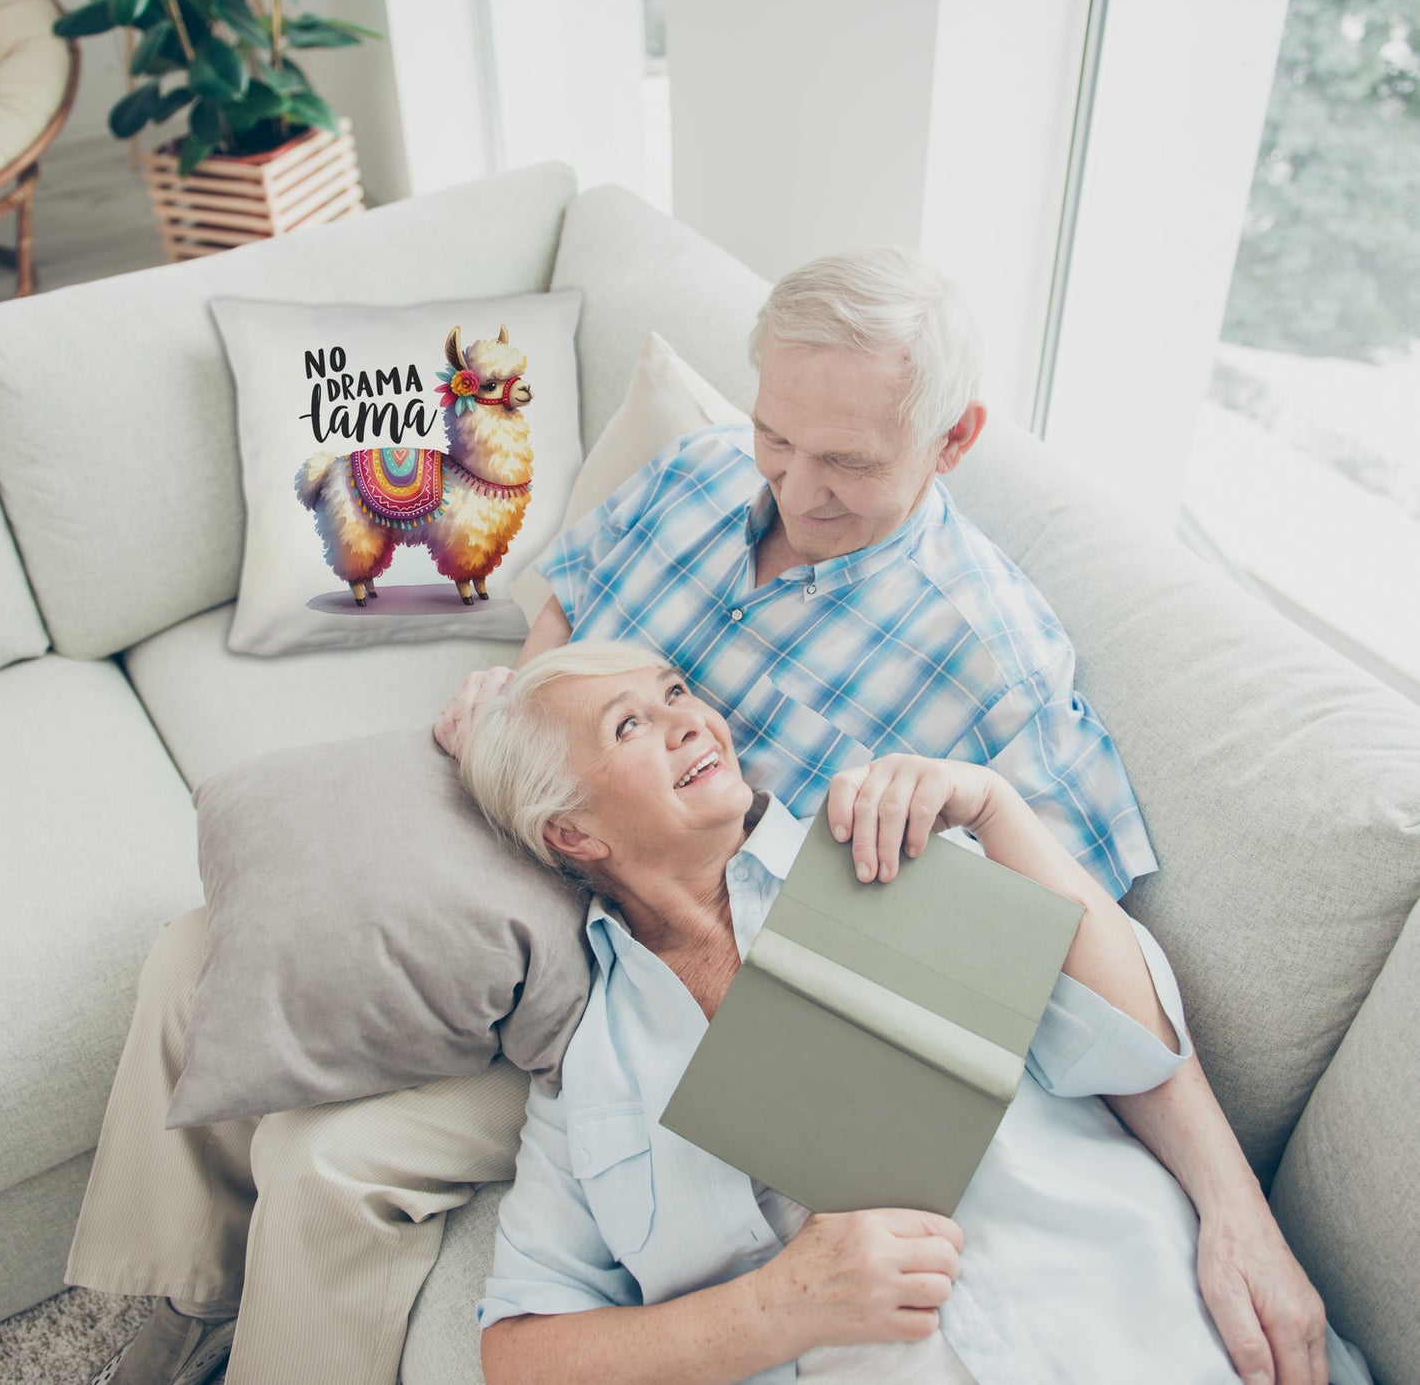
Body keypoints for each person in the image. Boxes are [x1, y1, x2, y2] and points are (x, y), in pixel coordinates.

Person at [69, 249, 1324, 1385]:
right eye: (779, 435)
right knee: (204, 947)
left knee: (330, 1159)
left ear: (951, 441)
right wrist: (520, 705)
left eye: (846, 460)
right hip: (554, 825)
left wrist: (1234, 1206)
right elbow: (569, 607)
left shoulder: (992, 665)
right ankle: (169, 1302)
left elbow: (1077, 959)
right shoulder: (701, 472)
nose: (794, 484)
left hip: (668, 951)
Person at [461, 641, 1361, 1385]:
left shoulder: (884, 847)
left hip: (1149, 1334)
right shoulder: (589, 1072)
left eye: (675, 691)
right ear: (572, 833)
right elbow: (520, 1354)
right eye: (630, 724)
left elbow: (1133, 1046)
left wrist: (996, 809)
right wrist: (778, 1306)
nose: (689, 719)